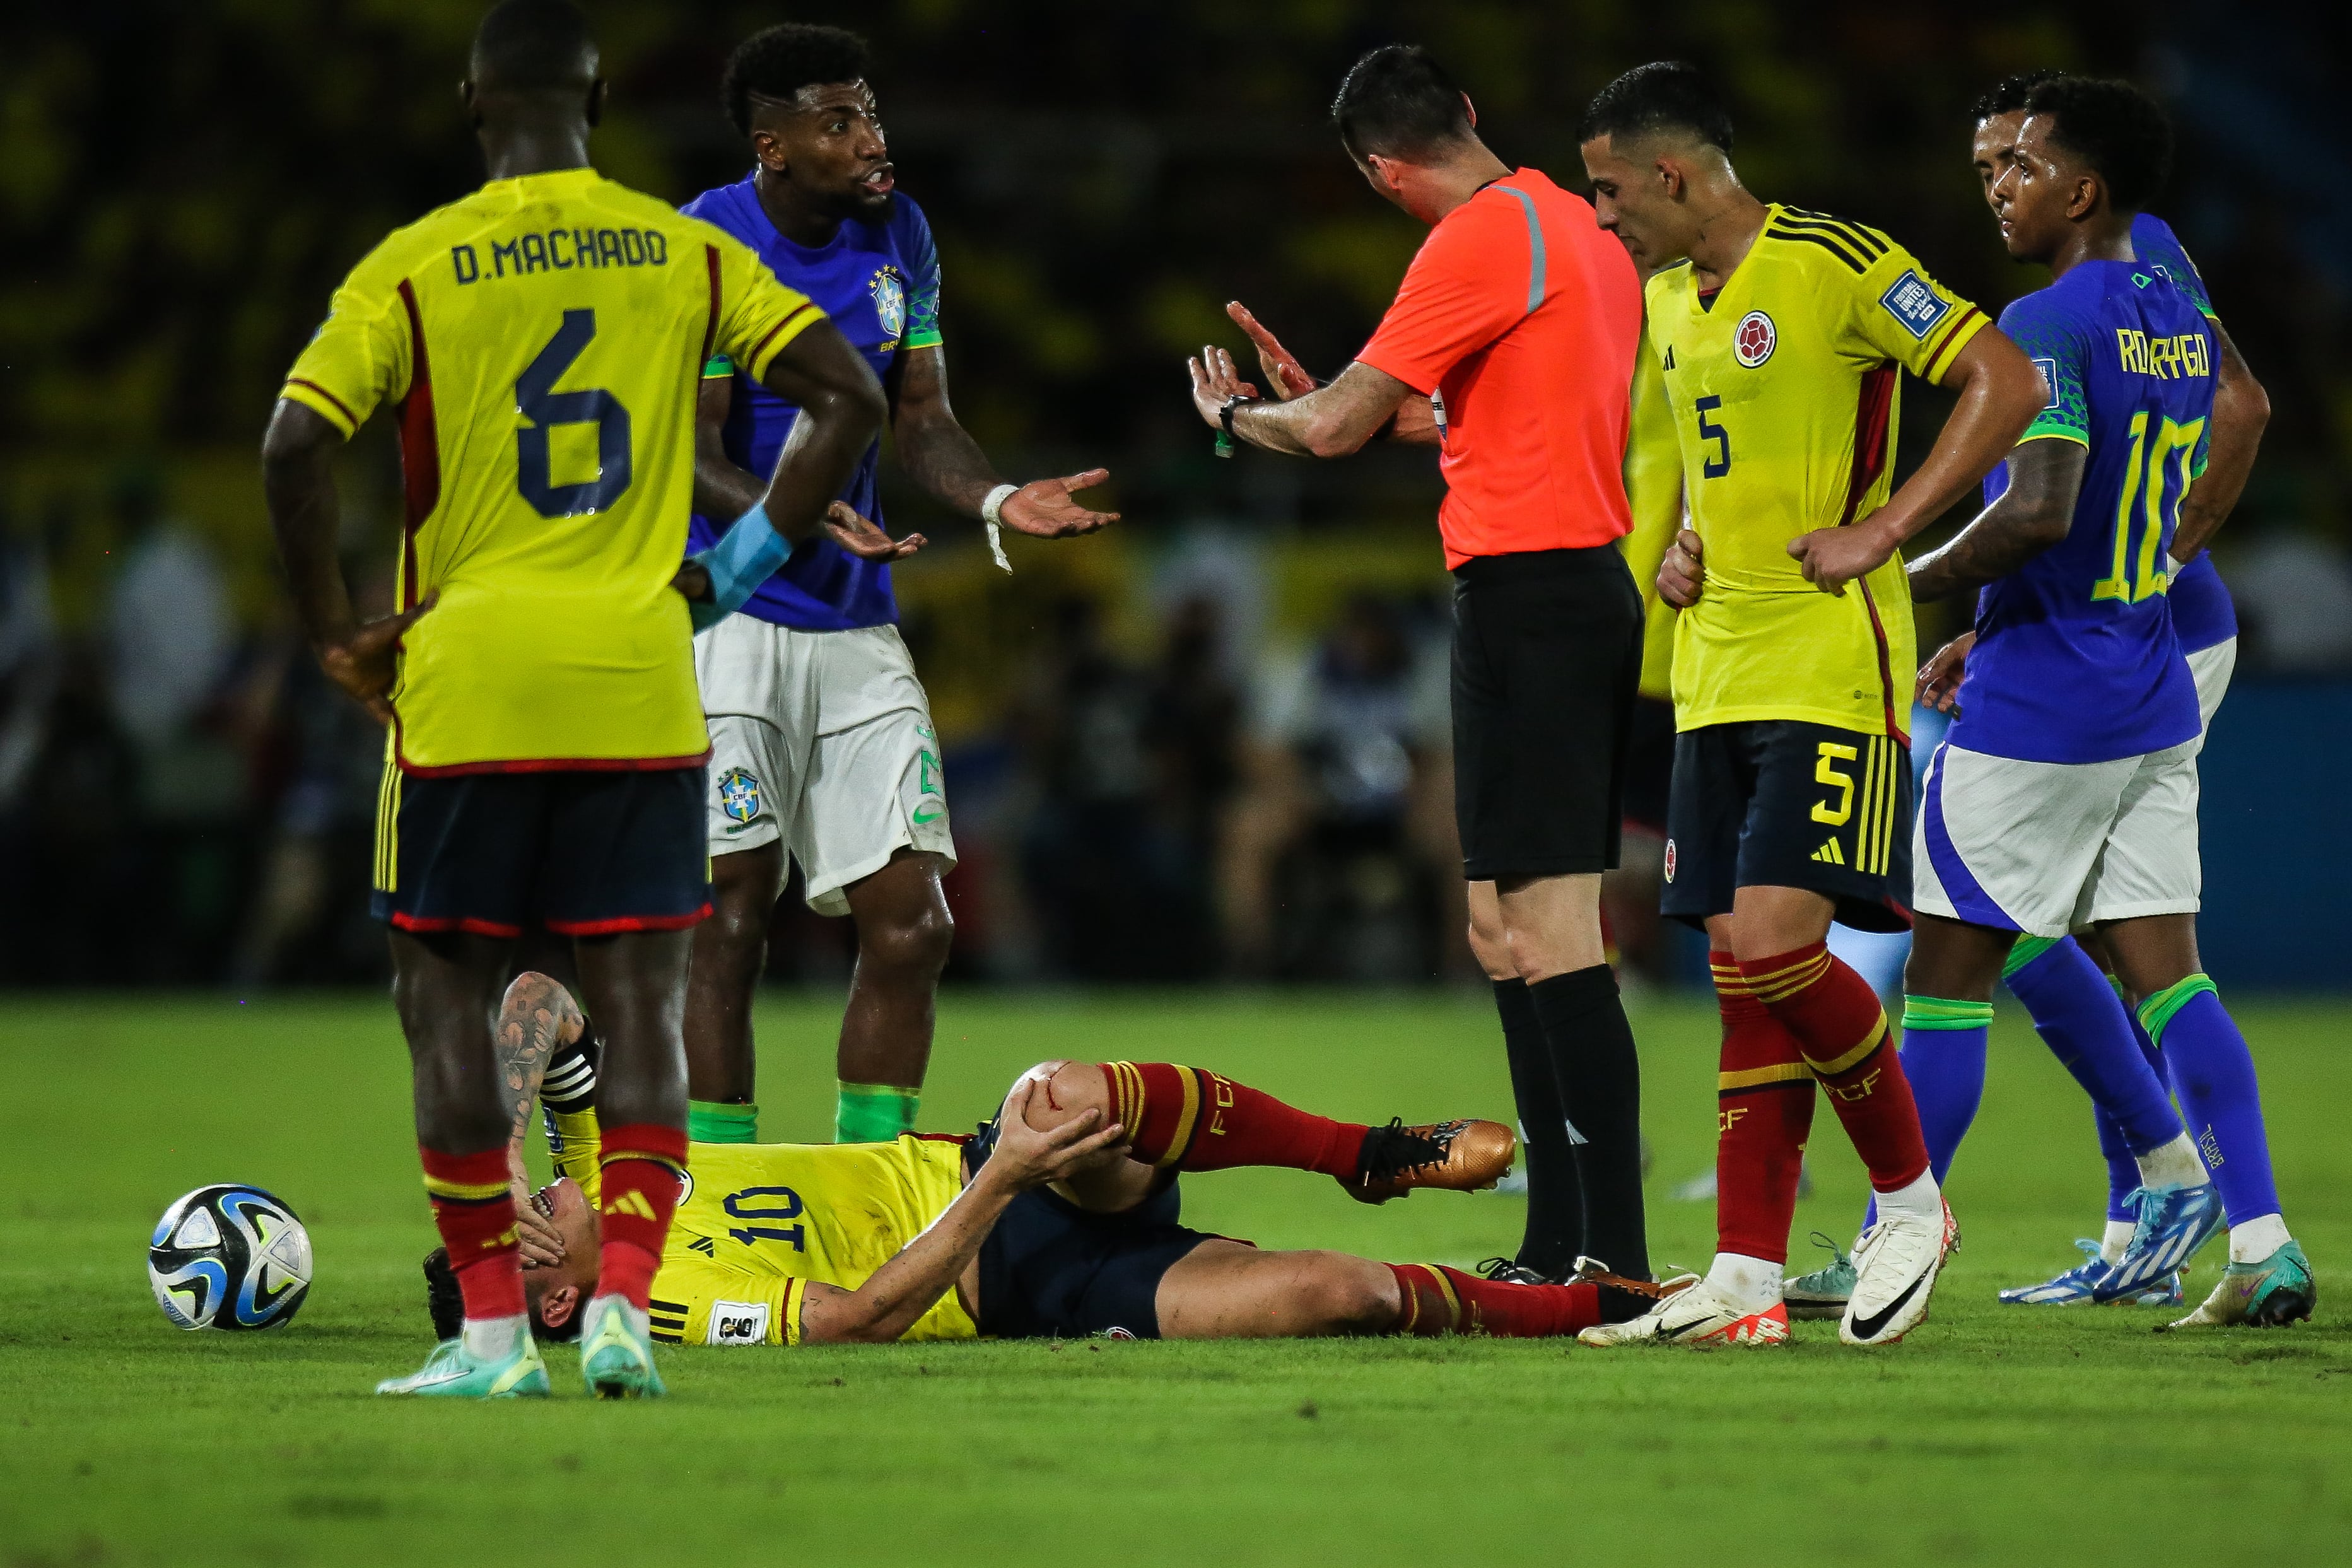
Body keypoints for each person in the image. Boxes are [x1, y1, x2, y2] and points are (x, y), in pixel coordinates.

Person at [260, 0, 893, 1398]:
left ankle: (493, 1336)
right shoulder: (685, 248)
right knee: (642, 1002)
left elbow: (294, 445)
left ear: (475, 101)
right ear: (597, 100)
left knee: (444, 1001)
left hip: (471, 678)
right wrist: (727, 572)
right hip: (637, 673)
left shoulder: (416, 264)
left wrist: (338, 635)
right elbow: (848, 400)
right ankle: (618, 1305)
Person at [1786, 70, 2277, 1318]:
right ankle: (2236, 1221)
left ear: (2078, 178)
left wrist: (1910, 584)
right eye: (1986, 163)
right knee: (2152, 962)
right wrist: (2127, 570)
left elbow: (2046, 503)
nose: (1997, 182)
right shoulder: (2159, 287)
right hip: (2134, 666)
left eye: (2016, 161)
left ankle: (1894, 1240)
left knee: (1952, 966)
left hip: (2074, 675)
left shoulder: (2057, 313)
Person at [1574, 62, 2047, 1349]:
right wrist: (1679, 556)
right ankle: (1743, 1274)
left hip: (1830, 664)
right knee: (1737, 971)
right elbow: (1685, 479)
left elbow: (2007, 382)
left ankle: (1909, 1200)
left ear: (1671, 174)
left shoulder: (1837, 260)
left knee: (1783, 946)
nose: (1603, 216)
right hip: (1713, 670)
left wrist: (1886, 525)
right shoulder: (1667, 301)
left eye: (1609, 191)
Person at [1191, 44, 1651, 1289]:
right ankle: (1557, 1238)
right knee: (1496, 926)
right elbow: (1477, 407)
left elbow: (1335, 426)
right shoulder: (1571, 224)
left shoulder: (1472, 240)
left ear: (1382, 171)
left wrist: (1244, 419)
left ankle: (1610, 1247)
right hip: (1533, 590)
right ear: (1468, 112)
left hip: (1540, 595)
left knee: (1550, 923)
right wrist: (1350, 404)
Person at [678, 24, 1118, 1154]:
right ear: (772, 146)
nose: (874, 141)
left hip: (854, 619)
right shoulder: (706, 245)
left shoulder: (900, 232)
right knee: (726, 916)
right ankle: (716, 1196)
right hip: (729, 617)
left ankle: (874, 1184)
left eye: (871, 112)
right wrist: (794, 510)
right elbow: (689, 447)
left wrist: (994, 498)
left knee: (914, 922)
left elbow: (921, 418)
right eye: (840, 122)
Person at [430, 974, 1680, 1355]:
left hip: (998, 1169)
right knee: (1342, 1296)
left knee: (1070, 1095)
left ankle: (1362, 1153)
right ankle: (1607, 1304)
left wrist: (497, 1139)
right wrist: (1002, 1183)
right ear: (553, 1299)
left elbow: (540, 999)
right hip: (1020, 1280)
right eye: (518, 1236)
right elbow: (859, 1317)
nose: (527, 1207)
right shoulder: (655, 1301)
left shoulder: (602, 1174)